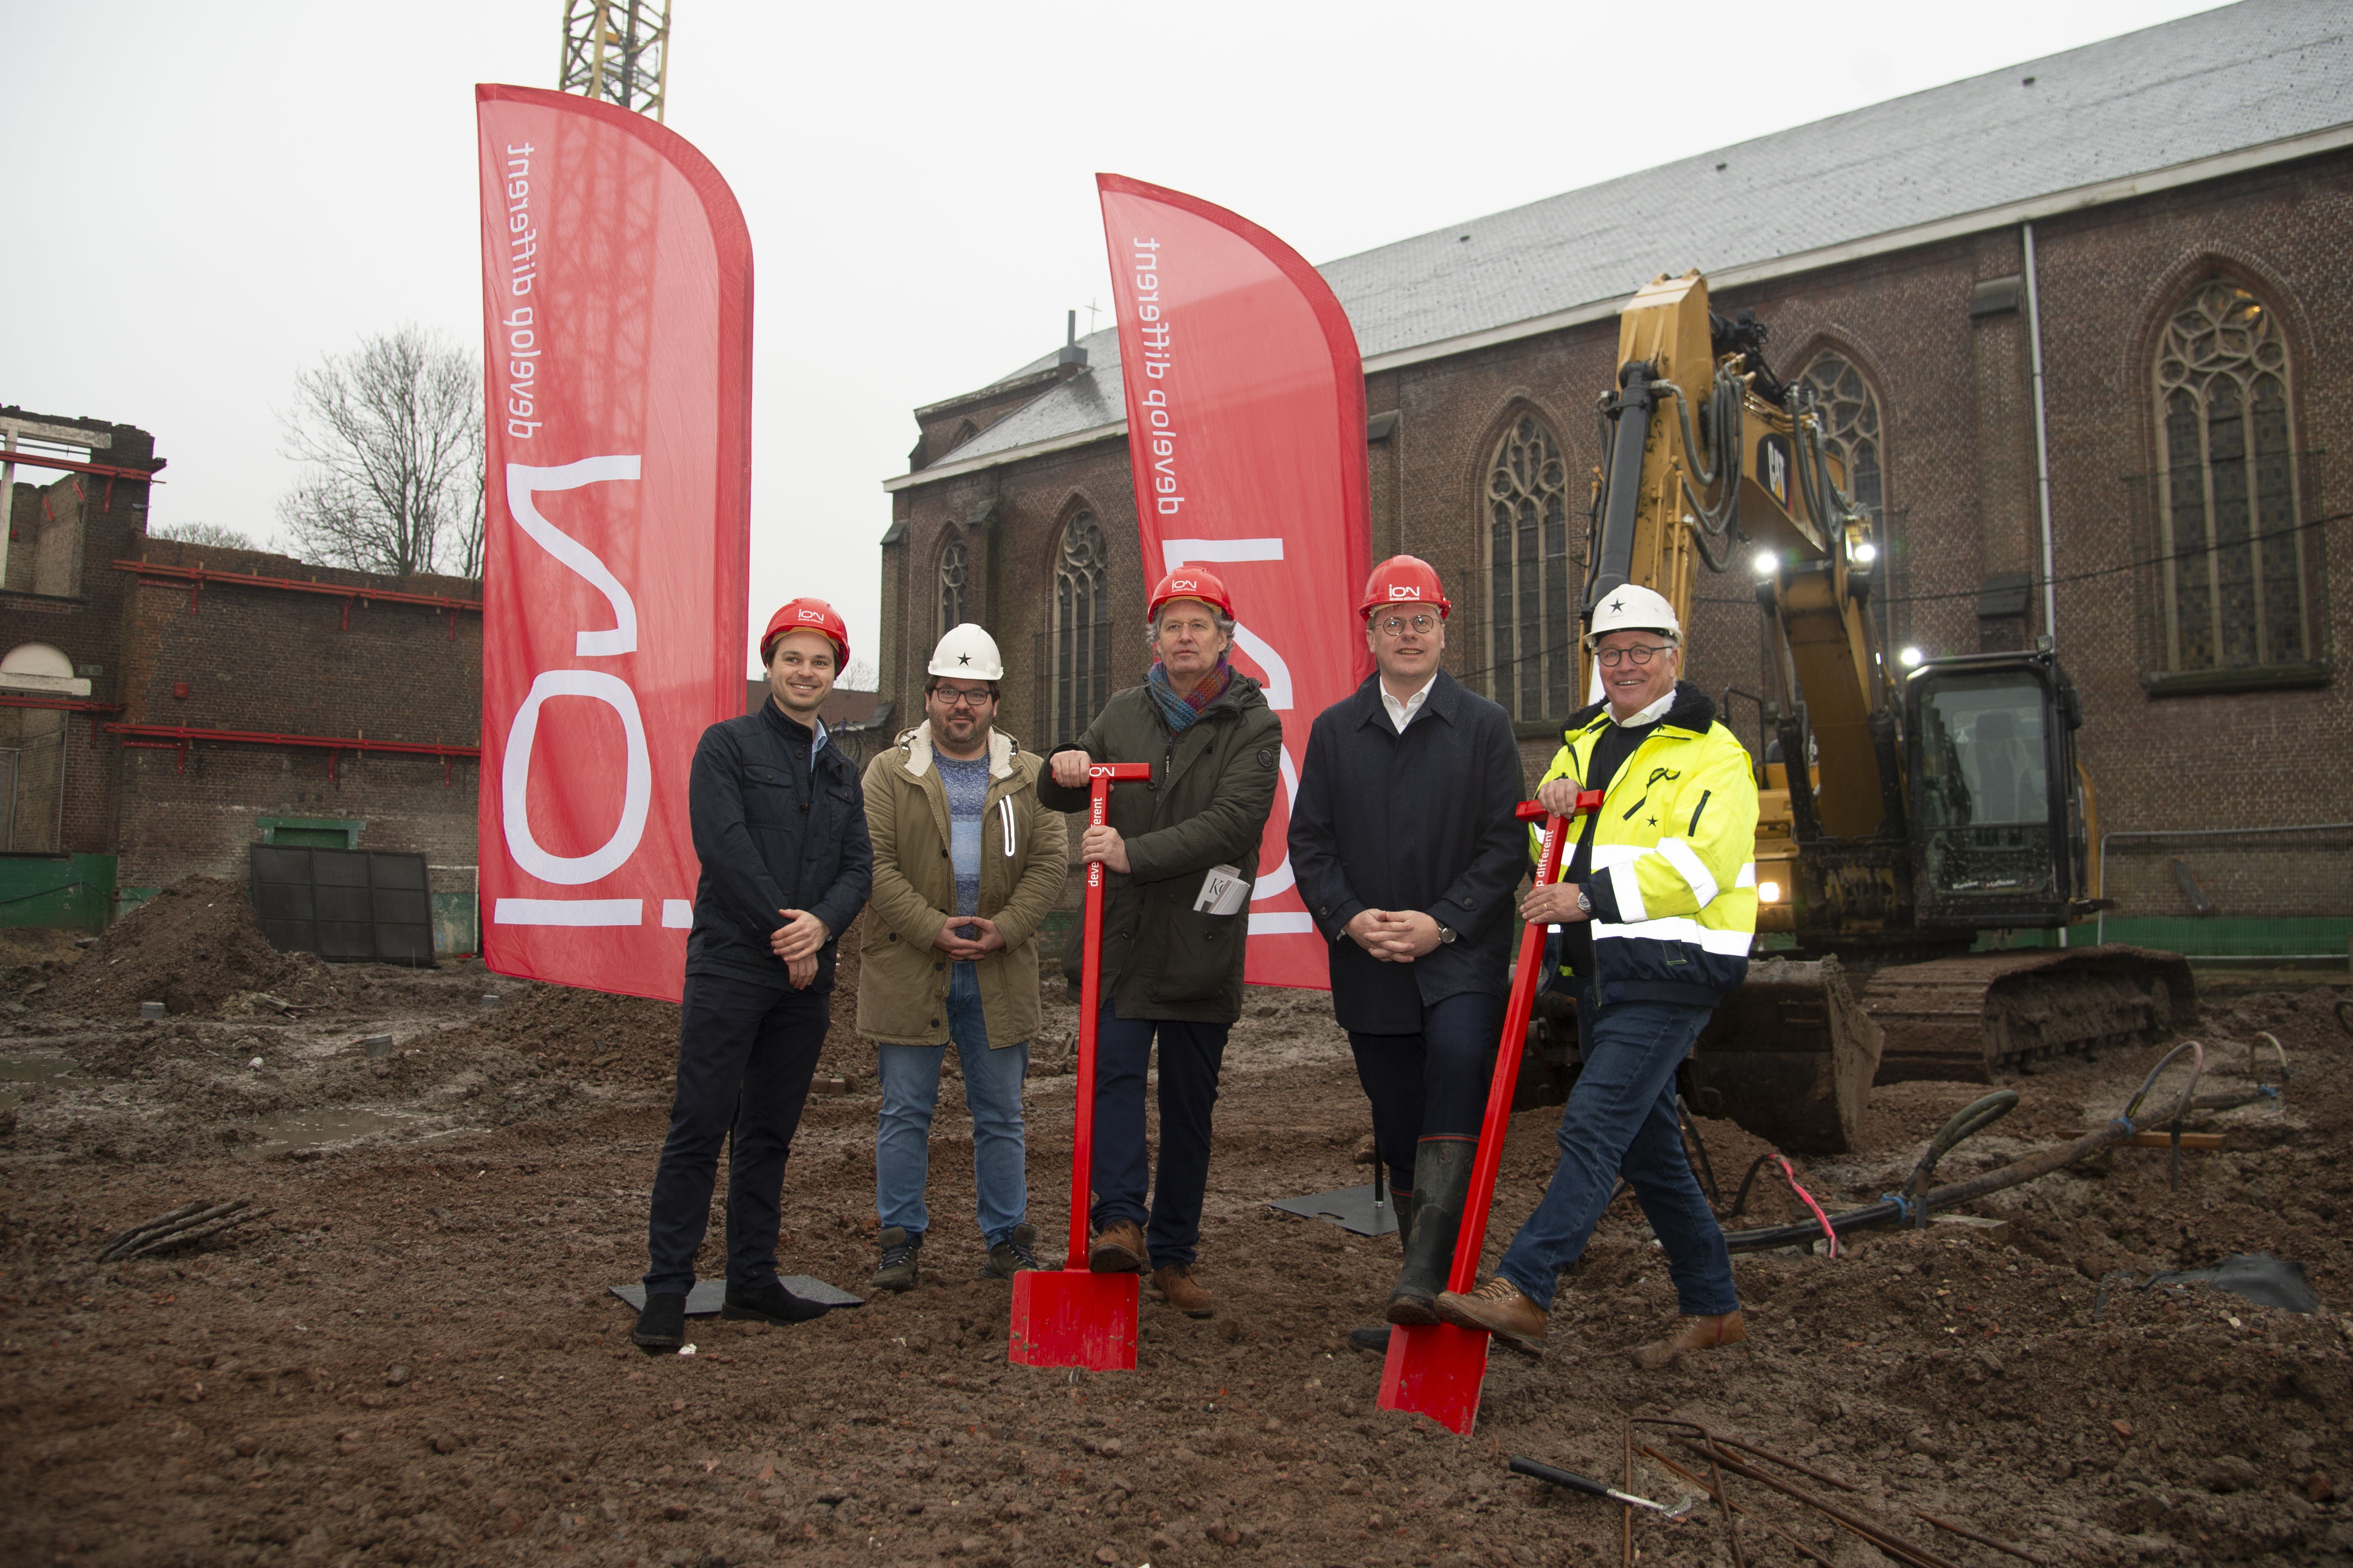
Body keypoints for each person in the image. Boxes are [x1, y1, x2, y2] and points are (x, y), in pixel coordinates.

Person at [1434, 583, 1760, 1369]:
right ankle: (1713, 1304)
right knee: (1648, 1152)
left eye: (1641, 652)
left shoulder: (1714, 752)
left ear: (1673, 658)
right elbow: (1564, 810)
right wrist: (1548, 791)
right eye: (1611, 654)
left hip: (1673, 967)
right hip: (1599, 972)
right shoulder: (1583, 739)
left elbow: (1700, 864)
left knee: (1590, 1121)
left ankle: (1526, 1285)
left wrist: (1588, 895)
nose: (1624, 665)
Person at [1286, 557, 1526, 1348]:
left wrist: (1442, 922)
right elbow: (1309, 843)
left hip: (1458, 956)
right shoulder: (1331, 731)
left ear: (1441, 629)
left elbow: (1502, 846)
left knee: (1456, 1065)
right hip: (1370, 961)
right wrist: (1349, 919)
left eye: (1421, 619)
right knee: (1394, 1122)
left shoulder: (1484, 725)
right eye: (1392, 622)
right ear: (1370, 634)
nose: (1408, 633)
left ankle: (1429, 1277)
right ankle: (1423, 1299)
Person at [1037, 566, 1280, 1318]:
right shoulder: (1121, 710)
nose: (1183, 636)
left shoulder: (1253, 722)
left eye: (1198, 624)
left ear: (1223, 639)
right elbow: (1066, 782)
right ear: (1154, 638)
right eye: (1171, 624)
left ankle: (1175, 1251)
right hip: (1123, 939)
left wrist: (1131, 854)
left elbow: (1235, 823)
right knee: (1111, 1081)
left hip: (1200, 939)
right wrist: (1064, 760)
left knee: (1187, 1105)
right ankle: (1119, 1221)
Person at [632, 599, 873, 1352]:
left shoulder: (842, 770)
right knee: (700, 1125)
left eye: (820, 660)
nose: (806, 671)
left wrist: (822, 924)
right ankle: (666, 1290)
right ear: (769, 663)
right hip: (734, 965)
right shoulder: (726, 747)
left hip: (803, 979)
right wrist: (785, 929)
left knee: (768, 1133)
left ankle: (751, 1280)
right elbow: (724, 845)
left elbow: (858, 866)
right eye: (792, 657)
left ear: (835, 672)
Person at [856, 624, 1068, 1290]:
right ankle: (900, 1240)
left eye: (975, 694)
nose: (961, 706)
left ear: (995, 702)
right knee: (904, 1111)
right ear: (927, 697)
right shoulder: (889, 773)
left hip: (998, 969)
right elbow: (875, 865)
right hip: (911, 965)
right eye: (949, 691)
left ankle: (1005, 1238)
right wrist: (930, 928)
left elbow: (1049, 862)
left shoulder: (1030, 776)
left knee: (1001, 1113)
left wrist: (1005, 929)